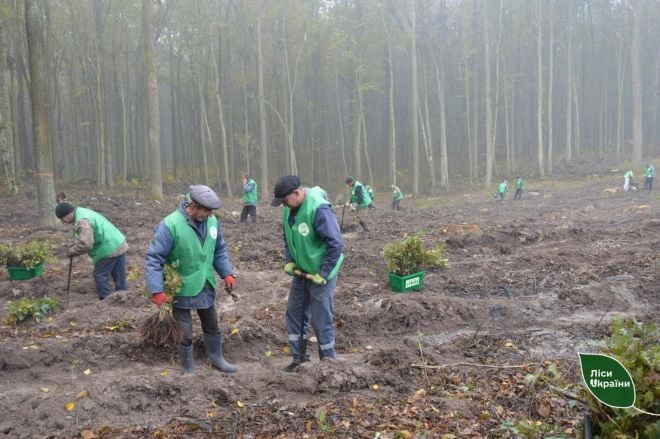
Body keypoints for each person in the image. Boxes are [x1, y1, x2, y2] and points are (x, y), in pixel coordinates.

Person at [145, 185, 237, 374]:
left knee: (212, 323)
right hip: (181, 287)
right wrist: (157, 290)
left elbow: (219, 249)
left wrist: (226, 273)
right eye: (206, 211)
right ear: (193, 206)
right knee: (184, 330)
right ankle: (188, 367)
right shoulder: (170, 225)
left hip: (205, 283)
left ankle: (216, 357)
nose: (210, 215)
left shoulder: (212, 222)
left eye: (212, 211)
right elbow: (154, 258)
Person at [270, 175, 344, 372]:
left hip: (322, 273)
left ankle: (328, 363)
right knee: (294, 313)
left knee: (320, 317)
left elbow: (336, 244)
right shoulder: (289, 210)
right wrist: (290, 261)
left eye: (285, 201)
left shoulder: (318, 209)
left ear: (297, 193)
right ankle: (299, 359)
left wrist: (324, 272)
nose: (284, 206)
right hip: (301, 271)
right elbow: (288, 238)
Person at [55, 202, 128, 300]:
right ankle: (124, 296)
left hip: (108, 247)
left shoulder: (82, 221)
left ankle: (105, 300)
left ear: (67, 215)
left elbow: (86, 244)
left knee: (100, 274)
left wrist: (72, 251)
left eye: (63, 219)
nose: (64, 221)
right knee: (118, 274)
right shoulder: (81, 211)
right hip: (118, 242)